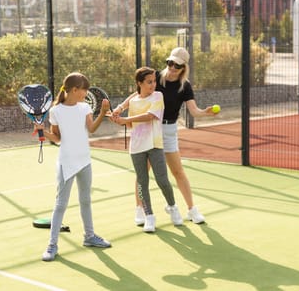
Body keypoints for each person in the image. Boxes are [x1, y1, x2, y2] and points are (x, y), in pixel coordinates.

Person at [113, 47, 218, 225]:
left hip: (169, 131)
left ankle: (192, 210)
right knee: (143, 173)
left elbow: (194, 110)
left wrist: (205, 113)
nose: (172, 67)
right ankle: (140, 209)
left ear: (183, 67)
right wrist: (120, 108)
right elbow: (136, 94)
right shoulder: (156, 79)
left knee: (177, 171)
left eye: (176, 65)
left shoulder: (185, 86)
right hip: (148, 128)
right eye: (170, 63)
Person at [36, 72, 112, 262]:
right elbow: (58, 138)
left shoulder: (85, 107)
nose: (86, 94)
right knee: (60, 205)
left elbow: (92, 129)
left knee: (85, 201)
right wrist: (43, 132)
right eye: (84, 90)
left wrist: (103, 112)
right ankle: (52, 245)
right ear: (74, 90)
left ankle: (90, 236)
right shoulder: (56, 111)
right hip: (66, 163)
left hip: (85, 161)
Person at [110, 66, 183, 233]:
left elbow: (150, 116)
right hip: (137, 147)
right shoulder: (134, 101)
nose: (153, 85)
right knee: (142, 183)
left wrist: (124, 117)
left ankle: (172, 207)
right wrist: (119, 114)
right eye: (149, 82)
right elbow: (131, 121)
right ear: (139, 83)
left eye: (154, 81)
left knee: (162, 180)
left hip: (155, 145)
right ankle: (149, 215)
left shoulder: (158, 96)